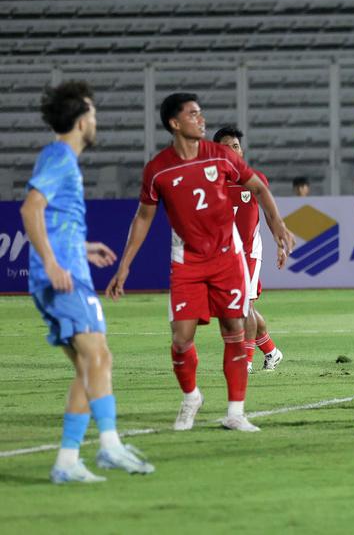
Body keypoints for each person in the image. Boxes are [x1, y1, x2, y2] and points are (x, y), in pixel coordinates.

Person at [105, 93, 295, 433]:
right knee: (181, 338)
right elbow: (143, 218)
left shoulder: (221, 156)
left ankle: (236, 412)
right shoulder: (158, 169)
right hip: (187, 260)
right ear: (175, 123)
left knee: (235, 328)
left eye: (201, 112)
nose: (201, 119)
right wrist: (125, 265)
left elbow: (260, 187)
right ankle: (191, 396)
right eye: (193, 114)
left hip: (228, 258)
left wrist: (278, 225)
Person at [22, 82, 156, 483]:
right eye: (93, 115)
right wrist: (53, 262)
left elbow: (55, 219)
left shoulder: (59, 158)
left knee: (89, 365)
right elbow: (31, 209)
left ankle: (67, 461)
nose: (96, 122)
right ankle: (110, 446)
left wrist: (81, 248)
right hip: (62, 278)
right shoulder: (61, 157)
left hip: (66, 268)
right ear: (82, 122)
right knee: (98, 356)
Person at [213, 126, 283, 375]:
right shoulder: (211, 183)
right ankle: (272, 352)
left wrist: (280, 243)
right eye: (226, 146)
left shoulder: (254, 179)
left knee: (245, 307)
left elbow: (271, 215)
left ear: (241, 150)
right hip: (222, 255)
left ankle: (246, 360)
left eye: (236, 146)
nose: (232, 150)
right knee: (236, 308)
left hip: (249, 253)